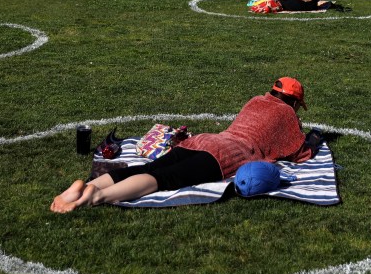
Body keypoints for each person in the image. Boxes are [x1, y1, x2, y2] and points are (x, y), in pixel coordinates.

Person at [51, 77, 317, 212]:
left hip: (205, 139)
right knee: (162, 179)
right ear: (293, 102)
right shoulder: (287, 114)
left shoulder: (256, 100)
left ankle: (86, 187)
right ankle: (95, 197)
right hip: (228, 154)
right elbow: (298, 152)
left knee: (150, 167)